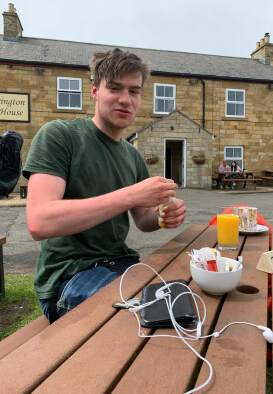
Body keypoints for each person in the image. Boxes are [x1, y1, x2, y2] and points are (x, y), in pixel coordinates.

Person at [22, 48, 186, 323]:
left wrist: (161, 217)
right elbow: (39, 223)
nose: (125, 100)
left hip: (122, 266)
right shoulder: (60, 135)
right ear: (95, 91)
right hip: (69, 276)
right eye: (115, 88)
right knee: (144, 320)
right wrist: (130, 194)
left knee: (183, 299)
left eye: (134, 91)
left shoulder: (131, 154)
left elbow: (143, 219)